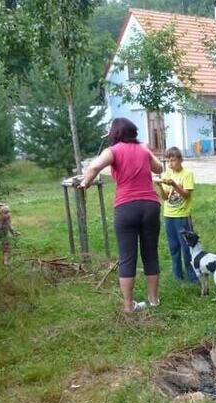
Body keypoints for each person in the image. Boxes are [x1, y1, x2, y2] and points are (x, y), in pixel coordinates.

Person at [79, 117, 163, 313]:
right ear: (134, 132)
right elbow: (159, 168)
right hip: (150, 205)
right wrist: (147, 150)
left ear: (114, 133)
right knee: (150, 254)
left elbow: (94, 167)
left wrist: (85, 183)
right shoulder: (143, 149)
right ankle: (153, 300)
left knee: (127, 257)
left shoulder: (112, 151)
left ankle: (128, 306)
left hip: (126, 207)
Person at [158, 146, 198, 284]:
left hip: (182, 216)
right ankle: (177, 276)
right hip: (169, 215)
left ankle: (192, 275)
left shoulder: (187, 174)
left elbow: (186, 195)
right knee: (173, 246)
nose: (170, 163)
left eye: (173, 160)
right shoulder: (166, 174)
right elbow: (165, 197)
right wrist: (159, 185)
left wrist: (174, 185)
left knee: (186, 246)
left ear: (180, 160)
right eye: (168, 161)